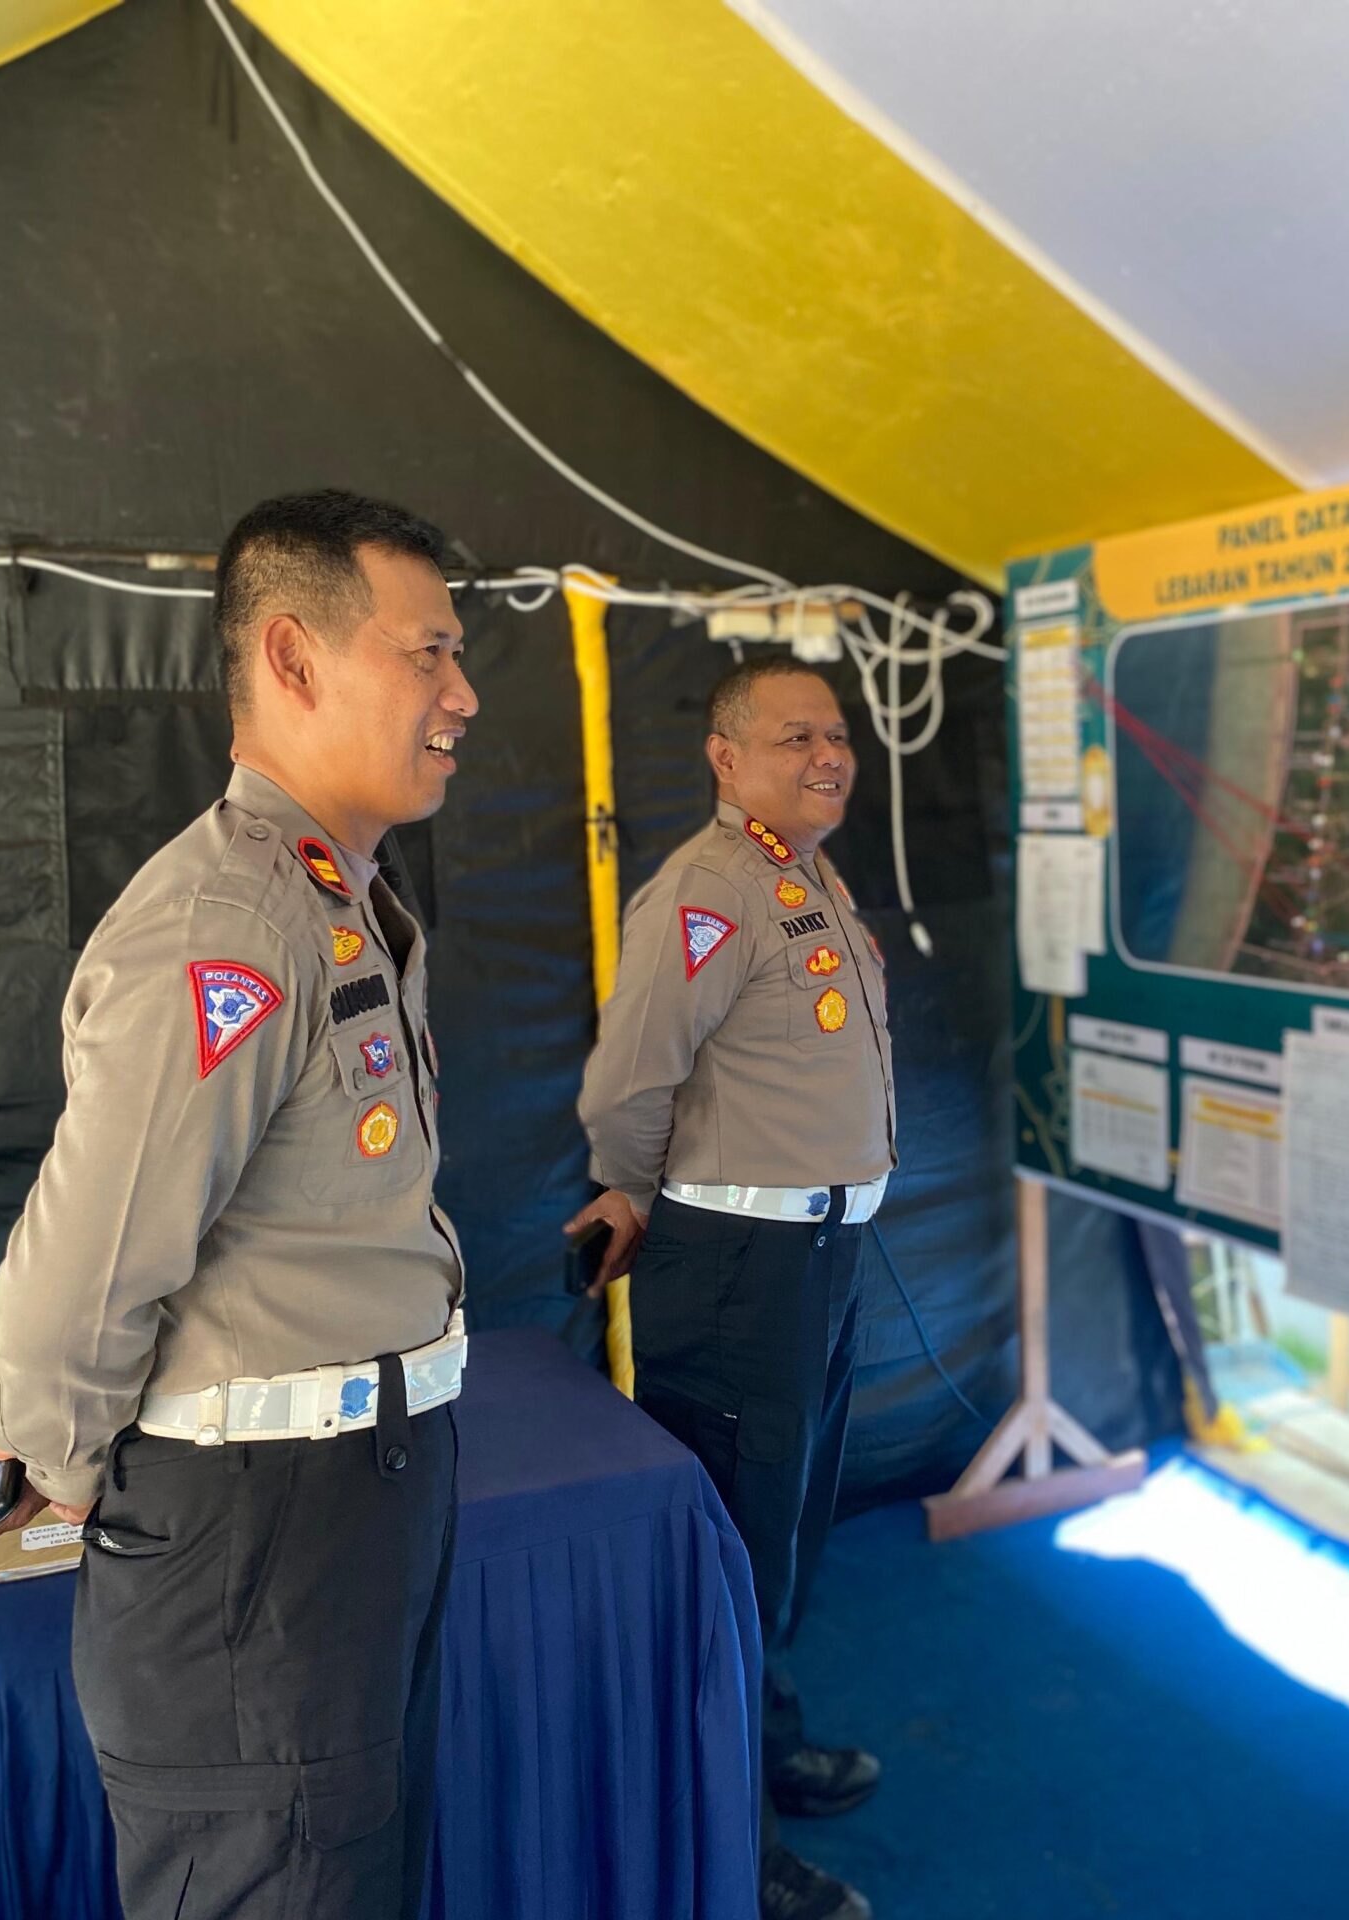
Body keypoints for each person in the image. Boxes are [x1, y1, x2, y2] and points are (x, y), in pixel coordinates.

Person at [0, 490, 478, 1919]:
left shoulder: (332, 896)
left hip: (345, 1512)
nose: (462, 695)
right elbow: (87, 1274)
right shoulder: (229, 924)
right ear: (292, 657)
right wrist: (46, 1460)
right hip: (255, 1546)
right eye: (429, 653)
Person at [572, 655, 894, 1920]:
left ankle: (769, 1743)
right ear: (725, 756)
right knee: (733, 1558)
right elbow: (628, 1082)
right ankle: (735, 1849)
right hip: (740, 1269)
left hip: (819, 1264)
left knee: (783, 1539)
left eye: (837, 734)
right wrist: (633, 1188)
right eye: (794, 736)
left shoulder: (807, 877)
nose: (828, 755)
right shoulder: (709, 889)